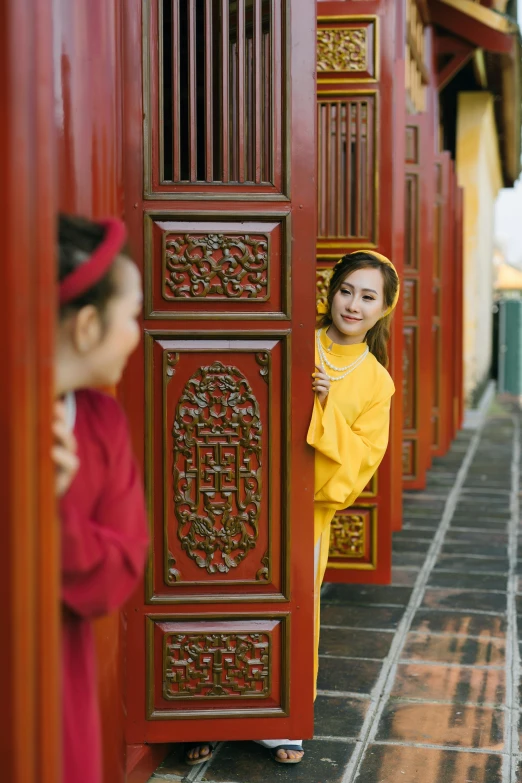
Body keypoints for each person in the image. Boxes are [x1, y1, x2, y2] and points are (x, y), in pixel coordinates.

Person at [185, 250, 400, 766]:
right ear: (331, 289)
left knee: (293, 606)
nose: (353, 304)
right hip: (242, 489)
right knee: (220, 593)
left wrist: (322, 411)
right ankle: (207, 715)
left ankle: (281, 722)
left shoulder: (377, 382)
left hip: (307, 510)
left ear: (385, 309)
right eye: (347, 290)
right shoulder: (294, 337)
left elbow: (361, 463)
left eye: (368, 297)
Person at [52, 214, 150, 783]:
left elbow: (119, 572)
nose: (138, 333)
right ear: (88, 326)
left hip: (58, 678)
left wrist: (56, 511)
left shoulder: (101, 422)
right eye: (132, 315)